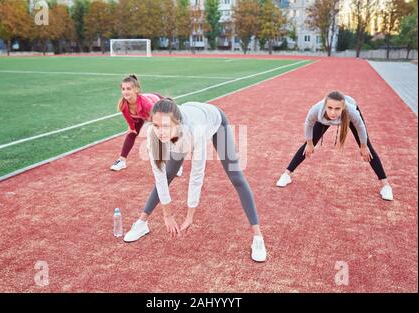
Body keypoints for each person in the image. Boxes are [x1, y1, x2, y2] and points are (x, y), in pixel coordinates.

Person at [123, 99, 267, 262]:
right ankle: (142, 223)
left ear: (176, 124)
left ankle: (258, 237)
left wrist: (190, 215)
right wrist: (167, 215)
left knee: (236, 177)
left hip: (215, 121)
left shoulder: (194, 131)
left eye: (165, 126)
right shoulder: (153, 134)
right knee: (168, 174)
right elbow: (160, 176)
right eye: (156, 125)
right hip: (185, 127)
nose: (160, 132)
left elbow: (197, 175)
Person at [276, 91, 393, 201]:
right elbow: (308, 124)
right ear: (325, 106)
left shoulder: (351, 111)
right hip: (323, 119)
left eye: (337, 109)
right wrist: (310, 144)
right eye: (330, 108)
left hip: (348, 118)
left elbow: (360, 127)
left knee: (368, 149)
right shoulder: (317, 109)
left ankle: (386, 186)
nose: (333, 112)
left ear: (343, 108)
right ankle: (286, 175)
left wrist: (363, 146)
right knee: (307, 145)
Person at [110, 75, 182, 176]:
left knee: (164, 134)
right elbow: (129, 120)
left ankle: (175, 165)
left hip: (158, 107)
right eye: (123, 89)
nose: (125, 91)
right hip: (142, 114)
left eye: (129, 89)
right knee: (132, 133)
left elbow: (157, 117)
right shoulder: (123, 104)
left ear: (136, 90)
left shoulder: (146, 103)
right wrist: (132, 128)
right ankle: (122, 161)